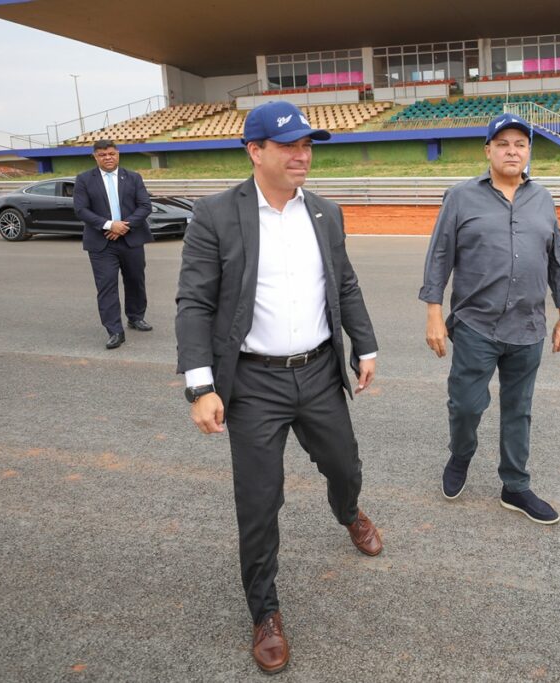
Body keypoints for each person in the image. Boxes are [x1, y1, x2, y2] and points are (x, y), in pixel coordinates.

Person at [175, 101, 382, 674]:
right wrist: (200, 386)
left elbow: (343, 283)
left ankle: (349, 512)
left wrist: (363, 346)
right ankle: (264, 612)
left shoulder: (324, 213)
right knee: (259, 505)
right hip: (253, 383)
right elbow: (193, 302)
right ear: (255, 151)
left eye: (308, 145)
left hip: (318, 372)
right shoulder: (215, 216)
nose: (302, 155)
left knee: (345, 465)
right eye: (289, 146)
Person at [420, 113, 560, 525]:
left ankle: (515, 485)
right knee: (467, 406)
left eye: (520, 144)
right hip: (476, 326)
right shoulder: (460, 197)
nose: (512, 151)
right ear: (487, 150)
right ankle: (461, 454)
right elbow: (439, 256)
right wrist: (434, 313)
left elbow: (558, 259)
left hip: (528, 328)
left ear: (528, 153)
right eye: (503, 143)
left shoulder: (542, 198)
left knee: (518, 408)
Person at [73, 139, 153, 349]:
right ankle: (114, 330)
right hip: (101, 243)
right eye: (102, 155)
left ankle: (135, 317)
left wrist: (123, 227)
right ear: (95, 157)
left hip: (131, 239)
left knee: (135, 280)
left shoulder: (134, 178)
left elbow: (145, 206)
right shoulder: (84, 180)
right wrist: (109, 225)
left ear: (117, 154)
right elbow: (81, 210)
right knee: (106, 286)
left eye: (111, 153)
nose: (107, 158)